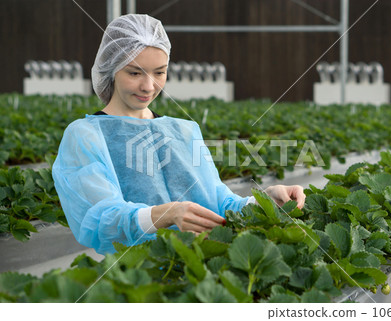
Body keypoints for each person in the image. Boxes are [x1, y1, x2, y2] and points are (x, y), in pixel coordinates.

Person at [52, 14, 306, 255]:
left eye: (159, 72)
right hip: (138, 275)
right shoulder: (85, 136)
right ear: (111, 69)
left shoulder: (184, 130)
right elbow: (101, 219)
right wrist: (166, 214)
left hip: (201, 268)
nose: (149, 86)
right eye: (134, 72)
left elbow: (219, 202)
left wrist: (264, 201)